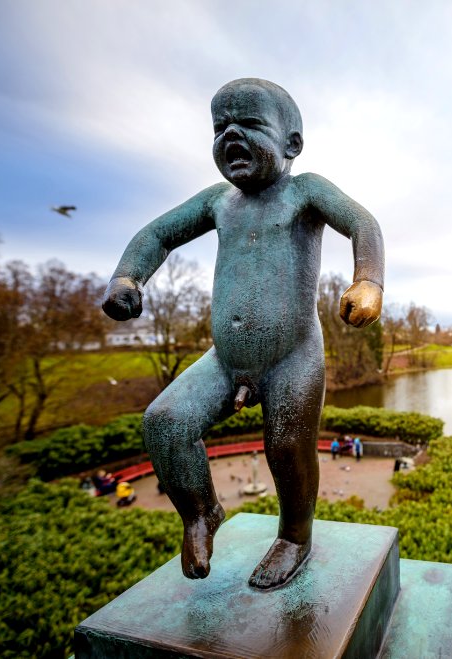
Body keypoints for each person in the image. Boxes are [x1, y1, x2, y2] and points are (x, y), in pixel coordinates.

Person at [102, 78, 384, 589]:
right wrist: (128, 276)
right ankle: (202, 514)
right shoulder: (218, 201)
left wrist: (367, 281)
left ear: (292, 144)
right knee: (165, 423)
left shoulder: (305, 192)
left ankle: (295, 536)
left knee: (286, 446)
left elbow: (363, 223)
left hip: (292, 356)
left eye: (249, 125)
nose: (230, 135)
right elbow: (158, 234)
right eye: (219, 128)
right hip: (226, 359)